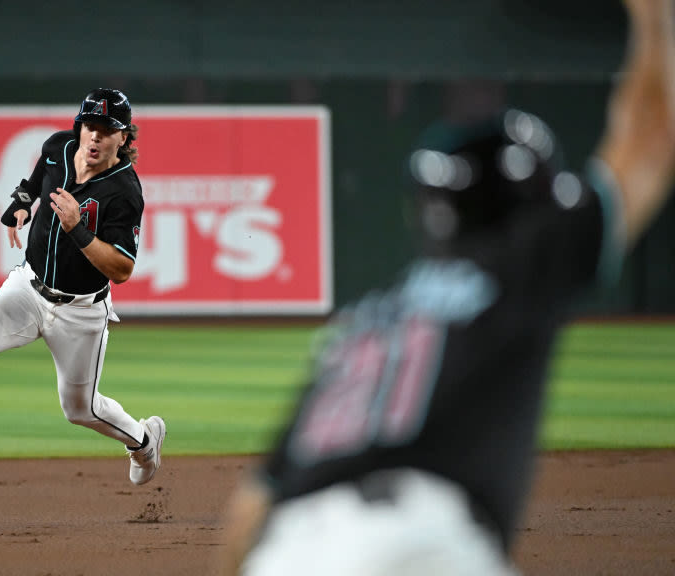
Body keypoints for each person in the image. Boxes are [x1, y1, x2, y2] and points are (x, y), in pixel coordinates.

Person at [220, 0, 675, 574]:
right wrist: (654, 17)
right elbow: (650, 139)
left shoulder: (370, 320)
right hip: (419, 544)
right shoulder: (521, 264)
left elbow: (250, 511)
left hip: (287, 549)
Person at [0, 88, 166, 493]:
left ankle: (143, 441)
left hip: (81, 311)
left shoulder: (125, 192)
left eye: (106, 129)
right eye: (89, 126)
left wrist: (77, 230)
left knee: (80, 410)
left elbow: (123, 269)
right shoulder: (58, 147)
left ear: (124, 138)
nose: (94, 136)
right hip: (28, 289)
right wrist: (21, 204)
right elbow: (33, 183)